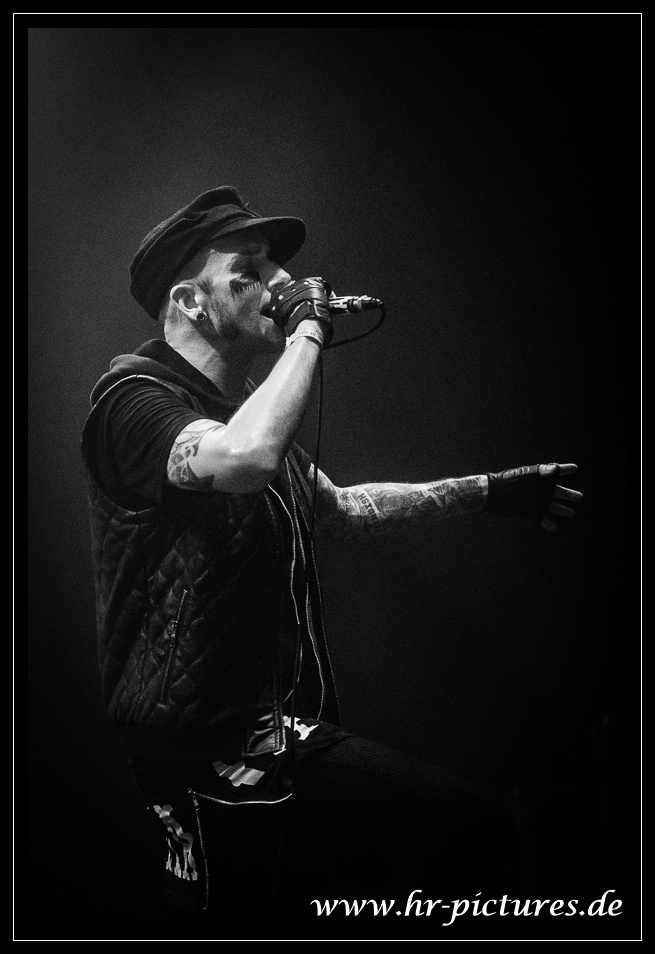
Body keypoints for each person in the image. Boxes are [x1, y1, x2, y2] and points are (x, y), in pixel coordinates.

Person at [81, 186, 582, 936]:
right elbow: (245, 459)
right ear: (189, 302)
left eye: (278, 268)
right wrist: (309, 330)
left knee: (437, 844)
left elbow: (338, 508)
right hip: (202, 750)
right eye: (249, 270)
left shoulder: (243, 406)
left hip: (270, 732)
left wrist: (491, 492)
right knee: (453, 832)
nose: (282, 282)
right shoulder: (133, 400)